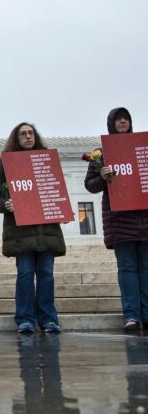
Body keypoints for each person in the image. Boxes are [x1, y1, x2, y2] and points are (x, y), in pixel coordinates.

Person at [0, 122, 65, 335]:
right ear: (16, 138)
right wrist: (6, 204)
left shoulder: (48, 161)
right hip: (21, 232)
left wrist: (62, 209)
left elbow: (57, 190)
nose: (28, 137)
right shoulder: (7, 164)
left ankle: (49, 319)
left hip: (46, 230)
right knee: (25, 274)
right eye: (23, 134)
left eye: (31, 133)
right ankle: (25, 319)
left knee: (46, 274)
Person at [84, 107, 148, 332]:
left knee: (145, 268)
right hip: (120, 220)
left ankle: (146, 313)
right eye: (118, 119)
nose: (123, 122)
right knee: (128, 268)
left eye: (126, 119)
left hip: (144, 219)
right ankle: (132, 315)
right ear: (112, 123)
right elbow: (90, 186)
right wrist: (102, 177)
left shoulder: (143, 149)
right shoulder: (101, 154)